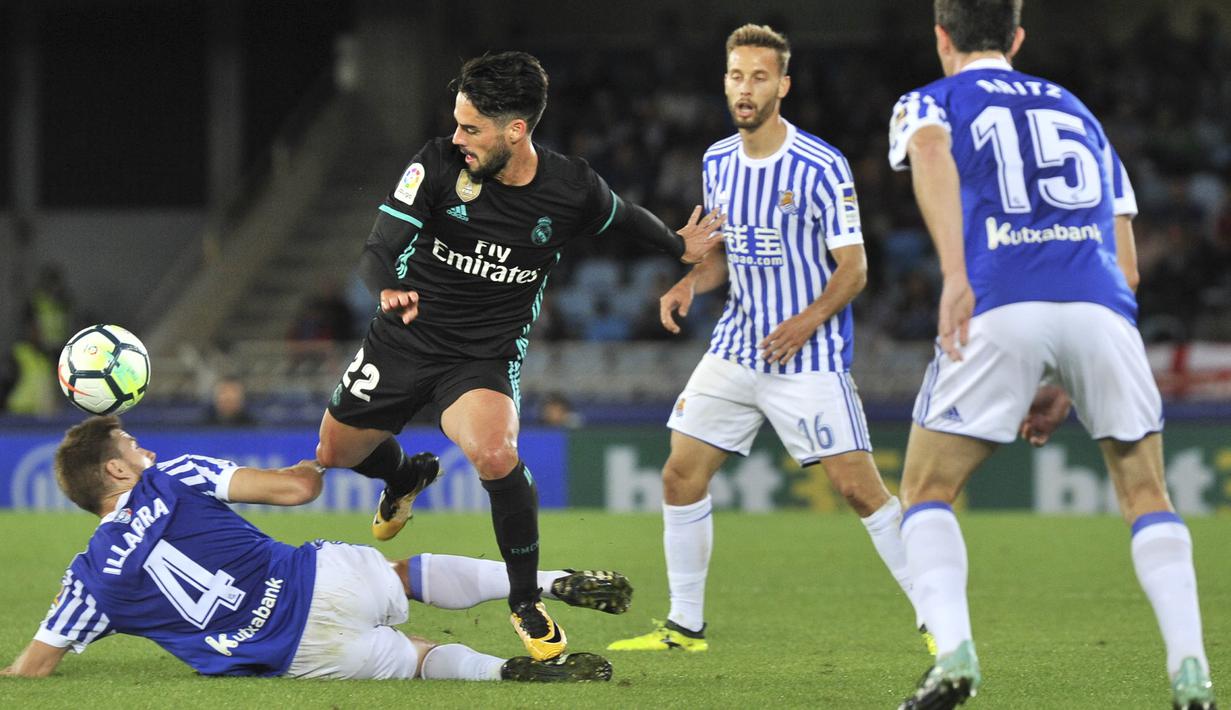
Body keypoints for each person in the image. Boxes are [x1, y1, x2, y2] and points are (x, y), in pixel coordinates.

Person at [313, 50, 723, 663]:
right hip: (403, 336)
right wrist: (386, 289)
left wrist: (676, 245)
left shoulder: (570, 187)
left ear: (516, 130)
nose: (458, 138)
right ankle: (405, 475)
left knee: (496, 454)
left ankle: (526, 600)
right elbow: (379, 248)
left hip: (483, 354)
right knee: (334, 453)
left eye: (471, 128)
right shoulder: (437, 164)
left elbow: (623, 217)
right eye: (456, 123)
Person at [886, 2, 1216, 708]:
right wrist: (1064, 369)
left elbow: (931, 151)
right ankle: (1192, 672)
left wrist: (953, 274)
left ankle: (953, 658)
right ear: (1017, 38)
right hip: (1100, 308)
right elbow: (1126, 265)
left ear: (940, 36)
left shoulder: (929, 100)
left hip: (1000, 297)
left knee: (925, 489)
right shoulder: (1079, 113)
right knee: (1145, 494)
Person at [608, 24, 925, 654]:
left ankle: (939, 619)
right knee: (679, 474)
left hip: (808, 356)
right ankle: (685, 627)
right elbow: (722, 253)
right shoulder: (717, 160)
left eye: (758, 76)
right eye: (735, 75)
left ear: (783, 85)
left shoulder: (820, 165)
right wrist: (689, 284)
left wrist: (805, 322)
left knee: (860, 490)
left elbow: (854, 269)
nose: (744, 88)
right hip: (735, 346)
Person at [1, 416, 629, 682]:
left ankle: (501, 672)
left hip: (294, 652)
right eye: (135, 448)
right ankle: (548, 581)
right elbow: (297, 490)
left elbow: (33, 669)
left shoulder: (87, 580)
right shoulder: (178, 476)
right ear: (116, 473)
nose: (148, 454)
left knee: (415, 657)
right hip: (316, 580)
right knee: (401, 573)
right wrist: (323, 458)